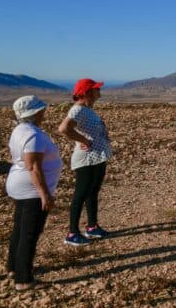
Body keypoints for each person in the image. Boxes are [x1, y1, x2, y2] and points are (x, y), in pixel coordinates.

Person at [6, 95, 63, 290]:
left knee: (20, 229)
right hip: (31, 189)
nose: (44, 112)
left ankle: (13, 266)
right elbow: (34, 167)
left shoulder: (20, 130)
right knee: (30, 232)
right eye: (41, 110)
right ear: (35, 112)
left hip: (21, 185)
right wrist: (44, 194)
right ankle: (23, 279)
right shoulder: (33, 135)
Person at [59, 78, 113, 246]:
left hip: (97, 157)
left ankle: (92, 227)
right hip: (86, 159)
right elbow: (64, 129)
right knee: (80, 194)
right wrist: (83, 140)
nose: (99, 91)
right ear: (87, 93)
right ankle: (72, 233)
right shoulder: (78, 110)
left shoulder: (88, 109)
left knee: (92, 192)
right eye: (96, 89)